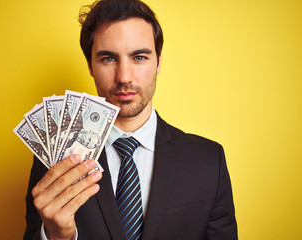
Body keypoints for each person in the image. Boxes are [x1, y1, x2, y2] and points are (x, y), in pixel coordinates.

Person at [23, 0, 238, 239]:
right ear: (90, 66)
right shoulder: (54, 161)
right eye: (108, 59)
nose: (124, 77)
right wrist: (55, 236)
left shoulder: (209, 161)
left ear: (158, 62)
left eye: (139, 57)